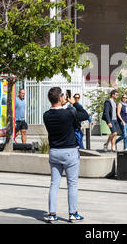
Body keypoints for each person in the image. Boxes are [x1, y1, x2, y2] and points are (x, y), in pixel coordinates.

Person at [43, 87, 89, 223]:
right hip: (69, 152)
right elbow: (85, 114)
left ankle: (52, 214)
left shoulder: (46, 115)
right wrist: (73, 102)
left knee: (54, 184)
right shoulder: (68, 113)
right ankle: (73, 213)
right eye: (63, 96)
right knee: (72, 184)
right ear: (60, 98)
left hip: (54, 152)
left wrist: (64, 102)